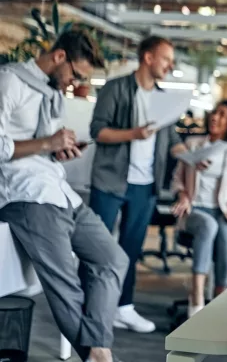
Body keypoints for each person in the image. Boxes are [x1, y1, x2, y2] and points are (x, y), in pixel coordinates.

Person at [0, 31, 128, 362]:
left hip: (60, 193)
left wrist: (59, 151)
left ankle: (97, 346)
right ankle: (99, 355)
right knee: (65, 283)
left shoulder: (52, 93)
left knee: (113, 259)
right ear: (59, 57)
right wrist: (47, 144)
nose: (75, 83)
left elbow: (45, 146)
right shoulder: (10, 81)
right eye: (77, 75)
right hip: (27, 197)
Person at [88, 36, 191, 333]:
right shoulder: (115, 89)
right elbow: (98, 131)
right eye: (166, 59)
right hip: (110, 180)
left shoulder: (164, 99)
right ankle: (91, 305)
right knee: (97, 246)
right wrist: (133, 134)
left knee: (130, 250)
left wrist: (195, 157)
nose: (170, 66)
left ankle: (124, 307)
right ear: (148, 58)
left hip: (145, 186)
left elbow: (171, 141)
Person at [171, 99, 227, 316]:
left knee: (225, 231)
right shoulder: (193, 144)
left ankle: (220, 297)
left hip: (222, 212)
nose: (215, 117)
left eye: (222, 115)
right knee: (208, 225)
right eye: (215, 112)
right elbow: (176, 179)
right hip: (194, 210)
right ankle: (196, 296)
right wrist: (183, 194)